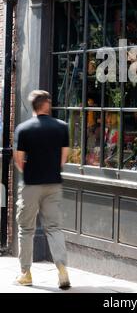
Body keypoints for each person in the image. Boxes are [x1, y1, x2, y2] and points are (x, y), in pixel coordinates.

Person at [13, 90, 71, 289]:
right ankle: (62, 270)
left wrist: (30, 172)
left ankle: (26, 273)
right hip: (54, 183)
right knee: (54, 228)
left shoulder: (24, 129)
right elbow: (64, 158)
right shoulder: (62, 127)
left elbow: (19, 159)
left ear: (33, 106)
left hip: (31, 185)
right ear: (47, 104)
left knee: (26, 229)